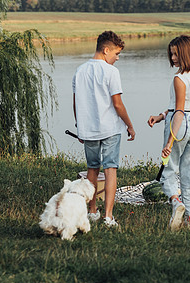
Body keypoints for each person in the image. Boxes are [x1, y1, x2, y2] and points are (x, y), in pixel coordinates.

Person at [73, 31, 136, 227]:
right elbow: (117, 104)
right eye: (116, 54)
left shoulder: (80, 71)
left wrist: (80, 126)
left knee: (92, 169)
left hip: (88, 129)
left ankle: (92, 211)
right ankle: (108, 216)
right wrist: (130, 125)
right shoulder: (111, 72)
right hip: (110, 129)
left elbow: (76, 104)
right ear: (106, 50)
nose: (117, 58)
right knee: (110, 169)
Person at [147, 35, 190, 231]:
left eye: (176, 54)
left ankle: (175, 201)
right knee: (188, 173)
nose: (172, 58)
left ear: (186, 53)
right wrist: (161, 116)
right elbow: (181, 106)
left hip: (180, 124)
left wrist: (170, 141)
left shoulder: (179, 79)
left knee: (167, 172)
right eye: (171, 54)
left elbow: (179, 112)